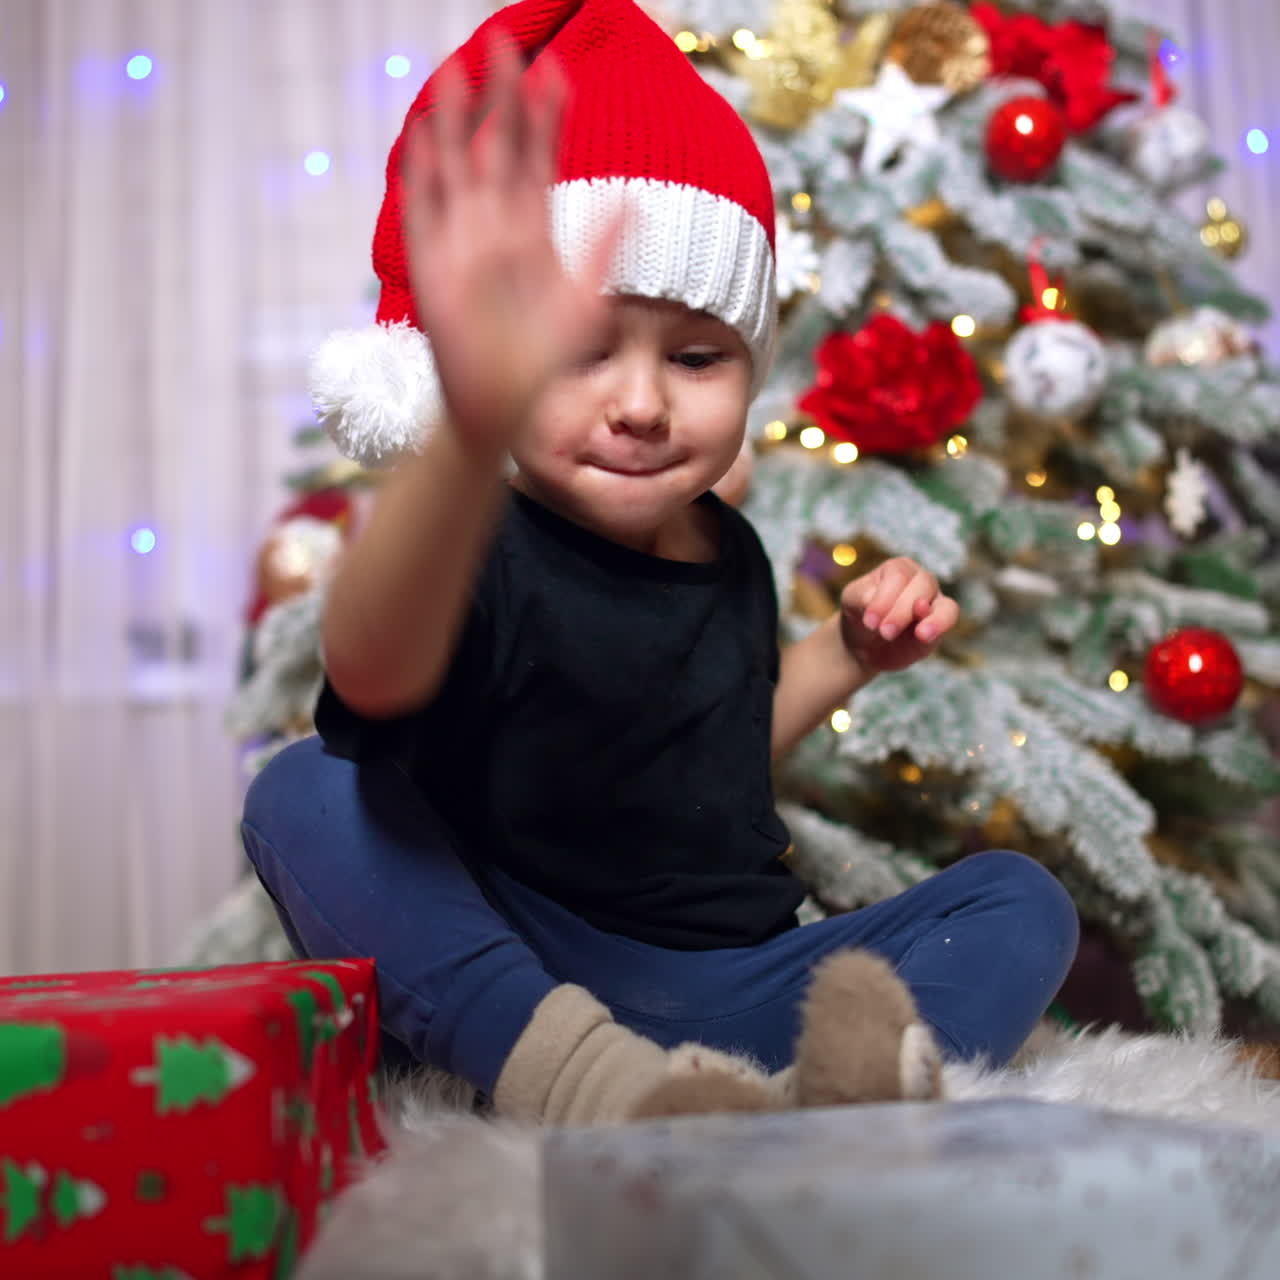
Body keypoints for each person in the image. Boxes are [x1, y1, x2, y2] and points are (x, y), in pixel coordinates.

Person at [241, 0, 1079, 1127]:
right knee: (306, 791)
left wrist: (844, 650)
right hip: (529, 961)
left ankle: (853, 1094)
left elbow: (716, 749)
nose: (640, 404)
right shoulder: (473, 536)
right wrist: (463, 443)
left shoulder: (727, 548)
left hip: (737, 976)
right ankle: (584, 1083)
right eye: (582, 352)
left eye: (695, 356)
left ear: (751, 364)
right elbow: (372, 668)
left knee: (1017, 897)